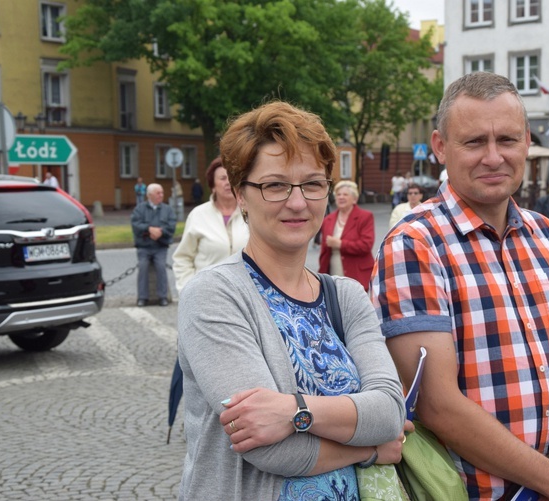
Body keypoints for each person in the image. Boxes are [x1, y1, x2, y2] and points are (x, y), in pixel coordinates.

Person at [371, 72, 549, 501]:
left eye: (507, 140)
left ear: (528, 141)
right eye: (475, 142)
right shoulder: (415, 245)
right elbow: (437, 405)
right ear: (441, 147)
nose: (494, 157)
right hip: (481, 493)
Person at [177, 101, 406, 500]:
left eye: (313, 184)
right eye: (275, 185)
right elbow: (270, 449)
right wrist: (369, 449)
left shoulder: (347, 295)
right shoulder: (214, 296)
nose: (298, 202)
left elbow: (389, 412)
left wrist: (293, 412)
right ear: (241, 194)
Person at [173, 157, 250, 291]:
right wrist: (188, 290)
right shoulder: (198, 215)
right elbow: (183, 258)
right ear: (212, 185)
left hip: (246, 294)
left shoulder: (252, 213)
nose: (228, 182)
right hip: (207, 294)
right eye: (222, 178)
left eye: (231, 177)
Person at [319, 180, 375, 290]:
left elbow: (366, 245)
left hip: (357, 273)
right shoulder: (328, 220)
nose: (341, 197)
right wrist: (321, 274)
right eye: (338, 194)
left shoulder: (365, 217)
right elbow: (324, 250)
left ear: (354, 199)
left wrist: (340, 244)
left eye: (345, 194)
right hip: (333, 272)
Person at [130, 183, 177, 307]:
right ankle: (142, 298)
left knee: (161, 267)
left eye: (162, 193)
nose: (161, 195)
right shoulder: (139, 209)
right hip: (144, 246)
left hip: (160, 247)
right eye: (158, 193)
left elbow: (171, 226)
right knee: (143, 267)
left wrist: (160, 232)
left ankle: (163, 297)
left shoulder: (167, 209)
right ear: (150, 195)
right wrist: (149, 229)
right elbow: (135, 225)